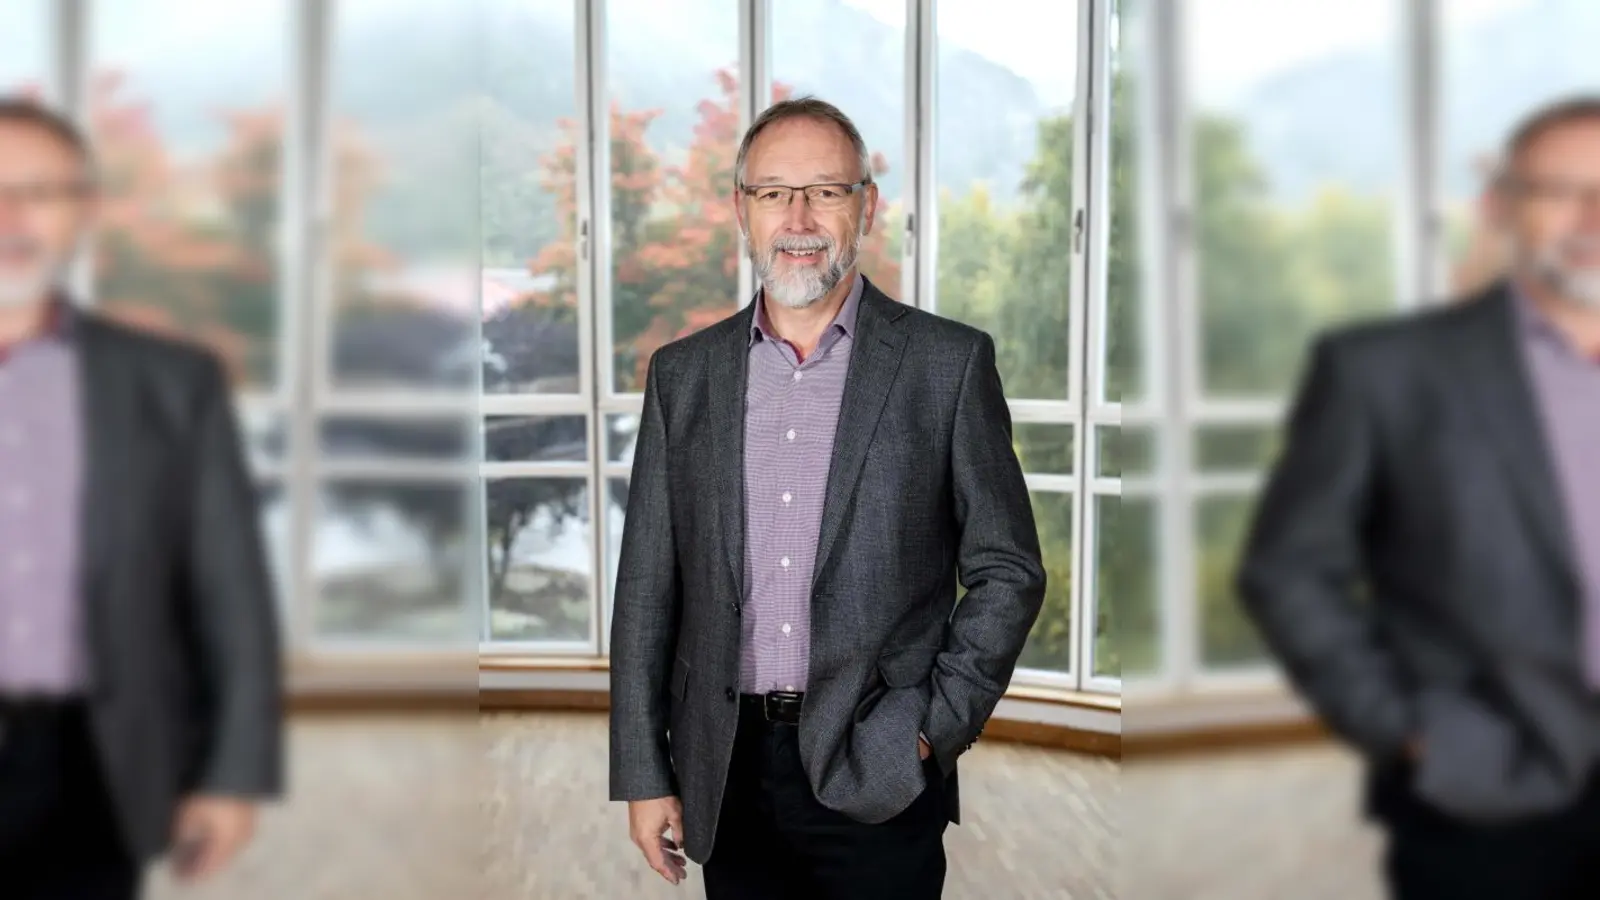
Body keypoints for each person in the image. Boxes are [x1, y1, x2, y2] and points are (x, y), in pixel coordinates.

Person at [608, 96, 1046, 899]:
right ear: (742, 212)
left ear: (866, 207)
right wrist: (644, 772)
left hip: (877, 759)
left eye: (827, 191)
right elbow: (646, 589)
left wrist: (928, 729)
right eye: (774, 192)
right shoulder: (684, 375)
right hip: (725, 765)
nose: (799, 216)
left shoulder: (946, 366)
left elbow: (1008, 569)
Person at [1237, 95, 1600, 900]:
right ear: (1501, 206)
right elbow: (1289, 568)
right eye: (1559, 189)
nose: (1590, 215)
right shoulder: (1384, 372)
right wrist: (1406, 730)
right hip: (1487, 793)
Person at [0, 99, 282, 899]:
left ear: (83, 211)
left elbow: (229, 590)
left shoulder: (169, 383)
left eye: (39, 192)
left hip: (89, 764)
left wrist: (232, 775)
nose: (10, 215)